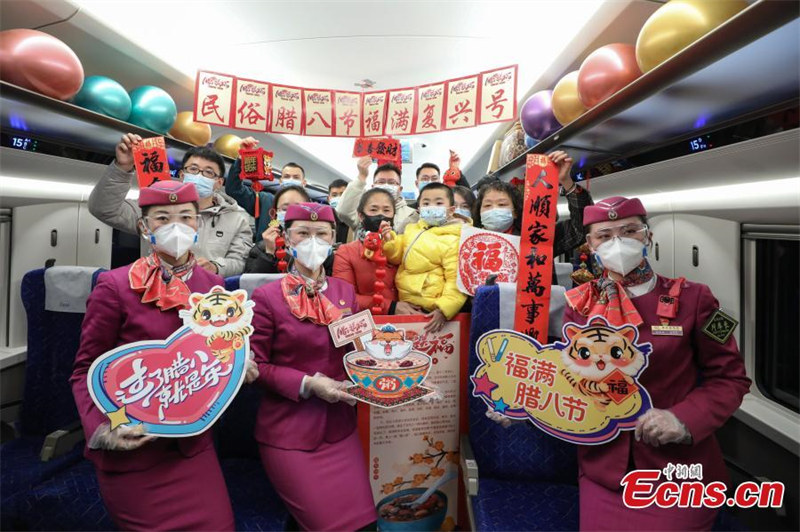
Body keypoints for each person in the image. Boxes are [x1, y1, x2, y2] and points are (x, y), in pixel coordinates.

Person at [489, 196, 751, 531]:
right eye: (605, 235)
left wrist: (682, 419)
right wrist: (523, 403)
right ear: (590, 244)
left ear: (647, 236)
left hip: (677, 470)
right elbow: (571, 379)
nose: (618, 242)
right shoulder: (580, 305)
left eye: (628, 231)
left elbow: (731, 379)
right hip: (604, 469)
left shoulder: (694, 298)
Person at [70, 180, 258, 531]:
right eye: (162, 218)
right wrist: (102, 428)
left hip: (192, 447)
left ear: (197, 224)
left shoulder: (213, 289)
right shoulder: (115, 286)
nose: (176, 226)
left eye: (186, 216)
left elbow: (219, 352)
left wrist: (237, 363)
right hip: (133, 446)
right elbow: (85, 370)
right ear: (144, 227)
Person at [250, 202, 377, 531]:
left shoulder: (344, 291)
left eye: (321, 234)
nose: (312, 241)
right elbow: (256, 367)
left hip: (339, 429)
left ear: (334, 238)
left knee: (366, 524)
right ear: (287, 239)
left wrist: (383, 370)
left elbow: (355, 348)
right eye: (303, 233)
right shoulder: (265, 297)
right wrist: (308, 383)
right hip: (289, 432)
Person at [89, 133, 252, 277]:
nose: (199, 175)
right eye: (193, 169)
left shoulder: (238, 217)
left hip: (205, 297)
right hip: (154, 289)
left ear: (218, 183)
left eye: (208, 172)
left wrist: (216, 267)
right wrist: (122, 168)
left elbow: (238, 262)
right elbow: (104, 209)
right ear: (182, 175)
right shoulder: (156, 207)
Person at [380, 183, 467, 333]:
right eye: (426, 203)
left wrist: (444, 309)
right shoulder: (412, 229)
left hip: (432, 309)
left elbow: (457, 279)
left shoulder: (455, 238)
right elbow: (397, 257)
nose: (431, 206)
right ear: (419, 209)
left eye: (439, 203)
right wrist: (389, 241)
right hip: (406, 303)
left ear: (451, 210)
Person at [473, 150, 592, 259]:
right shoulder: (468, 243)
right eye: (487, 206)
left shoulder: (538, 236)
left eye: (502, 204)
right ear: (479, 212)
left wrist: (566, 181)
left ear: (515, 212)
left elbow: (581, 229)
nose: (494, 210)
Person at [332, 188, 422, 316]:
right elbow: (344, 297)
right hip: (369, 324)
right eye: (373, 210)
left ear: (393, 215)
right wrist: (391, 307)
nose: (381, 215)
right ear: (361, 215)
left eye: (386, 210)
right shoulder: (346, 252)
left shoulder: (406, 246)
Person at [335, 158, 417, 234]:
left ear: (400, 189)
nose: (386, 185)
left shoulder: (411, 215)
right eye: (381, 182)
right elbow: (343, 211)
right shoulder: (364, 211)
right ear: (373, 187)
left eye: (392, 182)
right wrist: (361, 177)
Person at [245, 184, 314, 274]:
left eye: (297, 208)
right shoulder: (261, 248)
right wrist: (269, 252)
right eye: (285, 209)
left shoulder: (319, 245)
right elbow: (253, 282)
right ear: (276, 213)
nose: (291, 213)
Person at [225, 136, 275, 244]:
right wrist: (242, 158)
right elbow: (234, 190)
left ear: (303, 182)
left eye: (296, 177)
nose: (290, 180)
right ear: (281, 181)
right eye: (286, 176)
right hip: (265, 257)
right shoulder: (267, 201)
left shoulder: (313, 212)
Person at [328, 178, 351, 244]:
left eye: (343, 194)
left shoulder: (354, 222)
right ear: (328, 199)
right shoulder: (324, 221)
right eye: (334, 195)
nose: (339, 198)